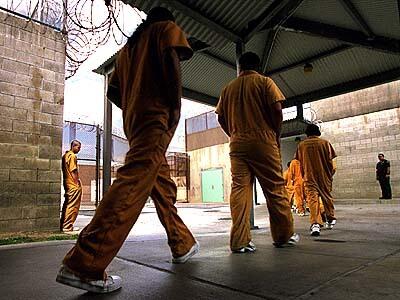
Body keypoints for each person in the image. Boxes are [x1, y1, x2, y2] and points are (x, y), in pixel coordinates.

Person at [56, 7, 198, 293]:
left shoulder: (128, 49)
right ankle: (84, 263)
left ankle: (182, 242)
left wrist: (135, 106)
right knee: (132, 185)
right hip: (157, 118)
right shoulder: (165, 29)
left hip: (136, 122)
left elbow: (114, 92)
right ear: (168, 19)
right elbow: (172, 64)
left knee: (161, 185)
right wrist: (173, 108)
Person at [216, 52, 299, 252]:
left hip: (237, 144)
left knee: (240, 190)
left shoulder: (228, 89)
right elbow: (277, 109)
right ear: (258, 66)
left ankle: (239, 241)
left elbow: (220, 118)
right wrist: (275, 134)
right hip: (264, 140)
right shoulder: (264, 82)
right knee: (274, 188)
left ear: (240, 67)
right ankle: (283, 235)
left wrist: (233, 134)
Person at [295, 123, 337, 236]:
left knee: (312, 200)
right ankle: (330, 218)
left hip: (309, 177)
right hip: (324, 176)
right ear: (318, 132)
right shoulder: (325, 143)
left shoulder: (301, 145)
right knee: (327, 197)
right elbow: (332, 163)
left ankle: (315, 224)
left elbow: (299, 162)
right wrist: (330, 175)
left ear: (307, 133)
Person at [60, 140, 82, 232]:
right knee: (73, 205)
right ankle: (68, 226)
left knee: (68, 203)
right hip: (73, 184)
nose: (79, 149)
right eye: (78, 147)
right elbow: (73, 170)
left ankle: (63, 224)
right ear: (73, 146)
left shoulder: (65, 155)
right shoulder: (72, 156)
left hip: (67, 183)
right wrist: (77, 182)